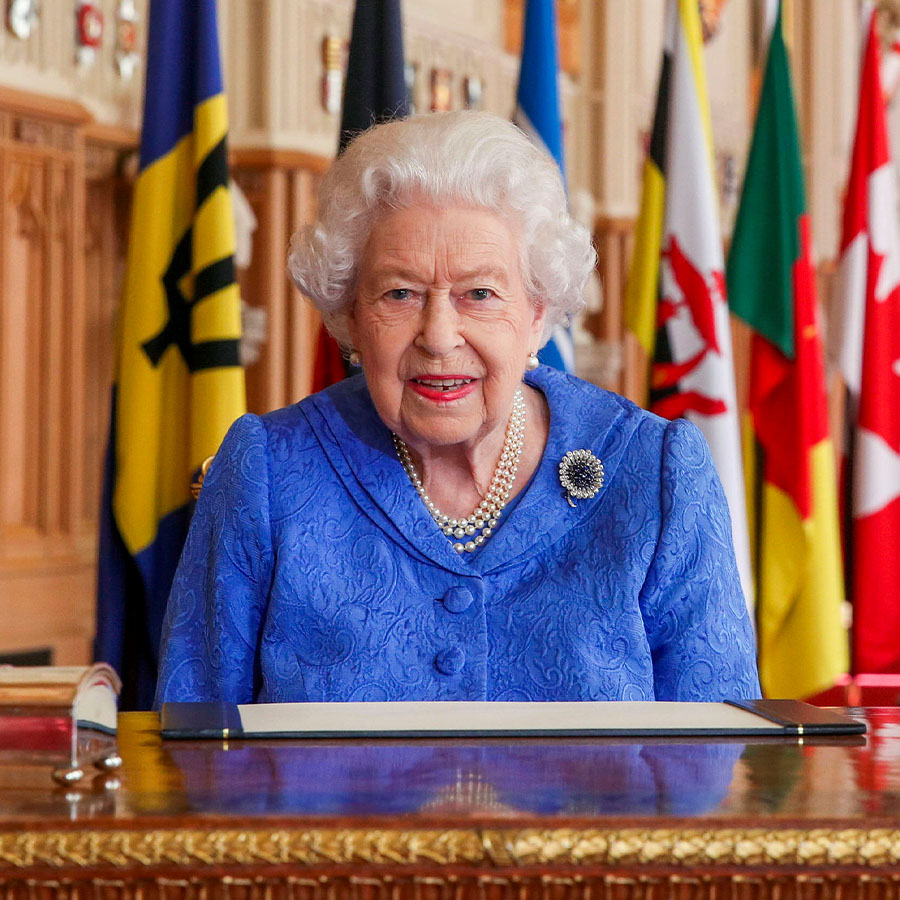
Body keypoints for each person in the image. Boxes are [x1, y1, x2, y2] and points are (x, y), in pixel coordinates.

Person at [154, 111, 759, 706]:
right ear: (349, 316)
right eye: (400, 293)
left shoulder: (654, 476)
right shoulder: (269, 473)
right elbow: (192, 749)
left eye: (479, 294)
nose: (439, 335)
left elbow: (722, 762)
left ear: (537, 313)